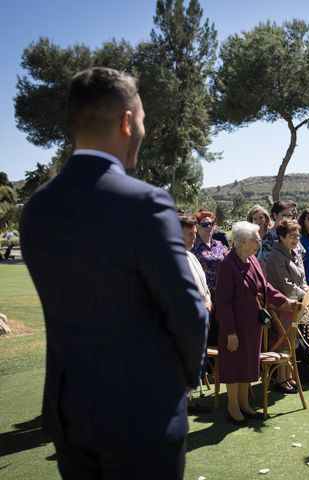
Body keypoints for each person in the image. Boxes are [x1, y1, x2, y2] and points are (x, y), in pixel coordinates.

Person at [19, 67, 208, 479]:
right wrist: (187, 378)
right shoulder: (146, 204)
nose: (143, 128)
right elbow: (189, 313)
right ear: (126, 122)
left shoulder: (36, 209)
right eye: (141, 118)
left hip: (69, 414)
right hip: (143, 416)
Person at [215, 221, 293, 424]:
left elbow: (264, 286)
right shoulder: (227, 265)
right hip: (234, 327)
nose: (259, 243)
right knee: (234, 367)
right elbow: (223, 303)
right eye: (255, 240)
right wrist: (230, 332)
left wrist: (283, 300)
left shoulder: (253, 261)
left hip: (252, 325)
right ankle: (232, 407)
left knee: (247, 366)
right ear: (241, 242)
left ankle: (244, 404)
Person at [264, 219, 309, 392]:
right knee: (283, 342)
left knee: (291, 342)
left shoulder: (294, 252)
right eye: (291, 236)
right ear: (281, 237)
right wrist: (305, 295)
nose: (295, 239)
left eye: (297, 235)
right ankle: (281, 380)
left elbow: (302, 279)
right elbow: (286, 284)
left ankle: (288, 377)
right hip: (281, 306)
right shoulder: (276, 255)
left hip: (295, 304)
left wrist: (307, 294)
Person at [179, 213, 213, 415]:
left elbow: (204, 287)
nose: (194, 237)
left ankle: (189, 402)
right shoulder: (171, 259)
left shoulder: (191, 255)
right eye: (189, 234)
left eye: (194, 233)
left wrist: (208, 300)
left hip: (201, 319)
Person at [192, 210, 229, 347]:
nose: (209, 227)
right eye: (205, 224)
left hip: (222, 298)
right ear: (197, 226)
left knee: (220, 339)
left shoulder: (219, 245)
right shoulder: (193, 247)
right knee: (206, 340)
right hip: (204, 299)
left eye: (211, 224)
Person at [258, 200, 293, 265]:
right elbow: (268, 261)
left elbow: (301, 255)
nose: (287, 219)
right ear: (275, 215)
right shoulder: (269, 236)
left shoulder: (293, 234)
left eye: (289, 216)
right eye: (284, 216)